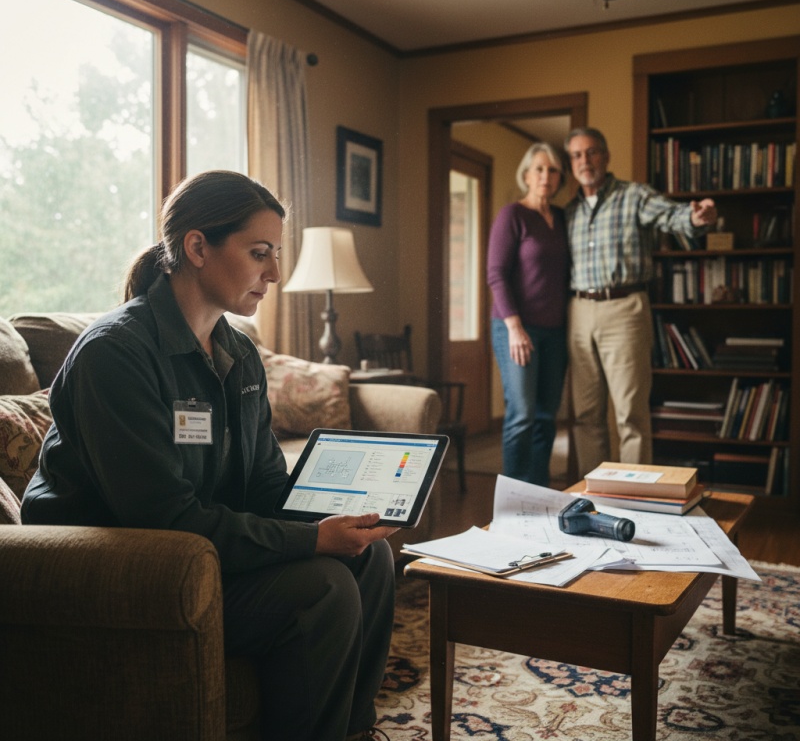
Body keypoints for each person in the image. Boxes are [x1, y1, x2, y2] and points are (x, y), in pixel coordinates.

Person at [21, 170, 395, 741]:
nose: (274, 273)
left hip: (201, 549)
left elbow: (266, 483)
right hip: (125, 566)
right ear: (197, 248)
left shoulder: (238, 353)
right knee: (324, 587)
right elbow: (165, 518)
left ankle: (353, 731)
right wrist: (311, 540)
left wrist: (346, 511)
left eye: (276, 254)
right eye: (259, 253)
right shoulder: (114, 354)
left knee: (371, 558)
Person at [563, 127, 717, 475]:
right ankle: (593, 493)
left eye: (591, 152)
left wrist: (695, 217)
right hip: (579, 311)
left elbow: (672, 215)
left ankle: (633, 495)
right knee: (586, 414)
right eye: (576, 155)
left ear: (606, 156)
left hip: (624, 308)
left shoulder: (633, 195)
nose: (585, 161)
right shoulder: (569, 211)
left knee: (630, 413)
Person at [486, 142, 570, 485]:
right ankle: (514, 497)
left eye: (552, 170)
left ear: (560, 177)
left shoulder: (562, 218)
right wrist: (515, 328)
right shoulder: (512, 215)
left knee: (547, 416)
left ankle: (538, 492)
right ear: (526, 175)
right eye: (539, 169)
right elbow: (496, 274)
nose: (546, 176)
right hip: (516, 328)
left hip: (556, 332)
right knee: (522, 413)